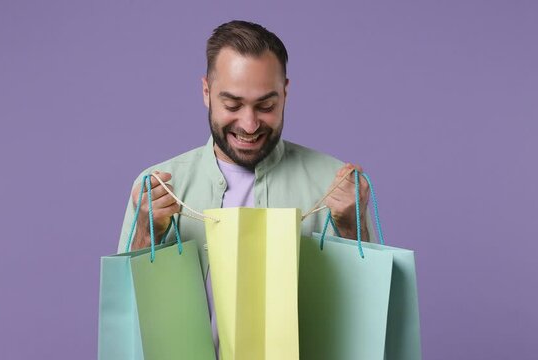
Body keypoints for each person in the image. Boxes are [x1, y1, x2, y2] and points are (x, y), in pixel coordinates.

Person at [116, 19, 375, 356]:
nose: (249, 124)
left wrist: (351, 227)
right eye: (233, 105)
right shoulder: (158, 186)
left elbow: (367, 319)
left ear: (285, 93)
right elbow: (126, 319)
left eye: (266, 106)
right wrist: (146, 234)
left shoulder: (335, 182)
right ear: (206, 93)